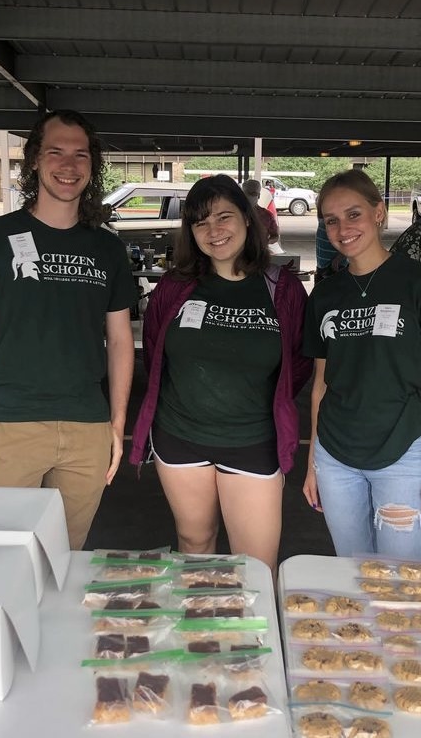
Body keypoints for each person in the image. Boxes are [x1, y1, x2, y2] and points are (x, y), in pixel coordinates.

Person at [0, 109, 135, 551]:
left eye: (80, 155)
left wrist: (116, 424)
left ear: (92, 165)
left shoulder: (107, 247)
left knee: (64, 558)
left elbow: (122, 341)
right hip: (12, 424)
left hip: (87, 427)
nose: (68, 166)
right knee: (4, 556)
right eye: (55, 152)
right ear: (34, 159)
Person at [129, 174, 312, 573]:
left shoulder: (282, 289)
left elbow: (297, 365)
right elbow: (158, 355)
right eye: (200, 222)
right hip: (180, 438)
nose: (214, 231)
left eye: (224, 217)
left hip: (253, 441)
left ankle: (250, 638)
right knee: (194, 544)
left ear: (248, 220)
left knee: (257, 565)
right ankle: (203, 635)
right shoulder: (175, 288)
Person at [302, 169, 421, 559]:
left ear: (379, 213)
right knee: (353, 571)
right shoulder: (325, 294)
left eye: (353, 214)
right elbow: (321, 385)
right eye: (331, 220)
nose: (343, 229)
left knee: (402, 580)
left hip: (403, 454)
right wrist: (312, 460)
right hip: (336, 456)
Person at [241, 179, 280, 246]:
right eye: (247, 193)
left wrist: (265, 242)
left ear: (258, 196)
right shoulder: (236, 214)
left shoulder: (267, 215)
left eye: (253, 194)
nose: (249, 197)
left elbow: (275, 236)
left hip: (260, 253)